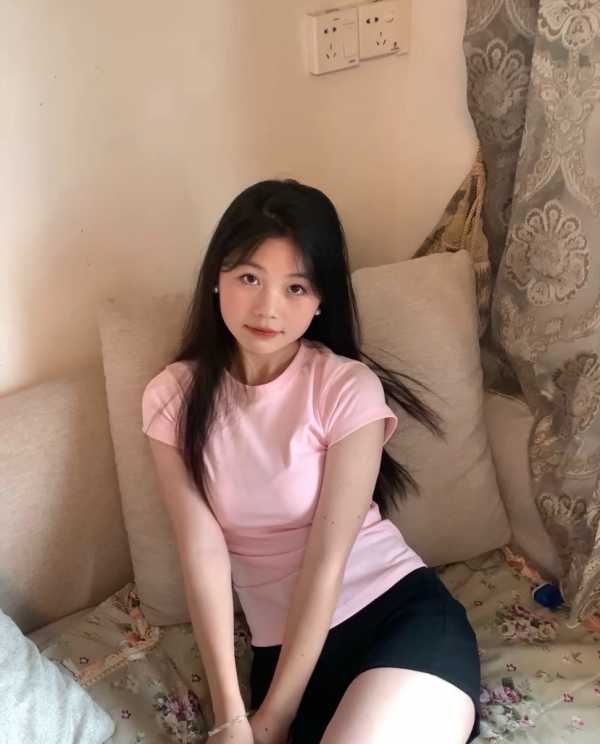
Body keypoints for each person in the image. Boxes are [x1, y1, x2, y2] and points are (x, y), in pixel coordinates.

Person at [141, 179, 481, 743]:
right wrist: (231, 715)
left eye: (295, 287)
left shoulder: (345, 387)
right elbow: (201, 551)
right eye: (250, 278)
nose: (267, 308)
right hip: (281, 654)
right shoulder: (171, 398)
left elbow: (327, 560)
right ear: (216, 278)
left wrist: (276, 715)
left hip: (397, 621)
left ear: (321, 300)